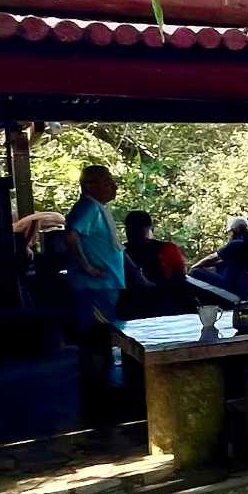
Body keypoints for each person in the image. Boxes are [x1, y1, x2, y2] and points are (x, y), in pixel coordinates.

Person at [65, 166, 125, 410]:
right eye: (107, 182)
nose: (113, 186)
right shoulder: (88, 207)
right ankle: (96, 393)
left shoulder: (99, 208)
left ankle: (102, 384)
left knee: (102, 335)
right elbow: (71, 235)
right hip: (94, 287)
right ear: (90, 185)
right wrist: (87, 267)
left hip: (105, 286)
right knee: (95, 337)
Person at [121, 210, 190, 317]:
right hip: (167, 306)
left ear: (126, 230)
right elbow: (180, 277)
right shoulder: (167, 248)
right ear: (150, 228)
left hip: (130, 308)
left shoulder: (119, 253)